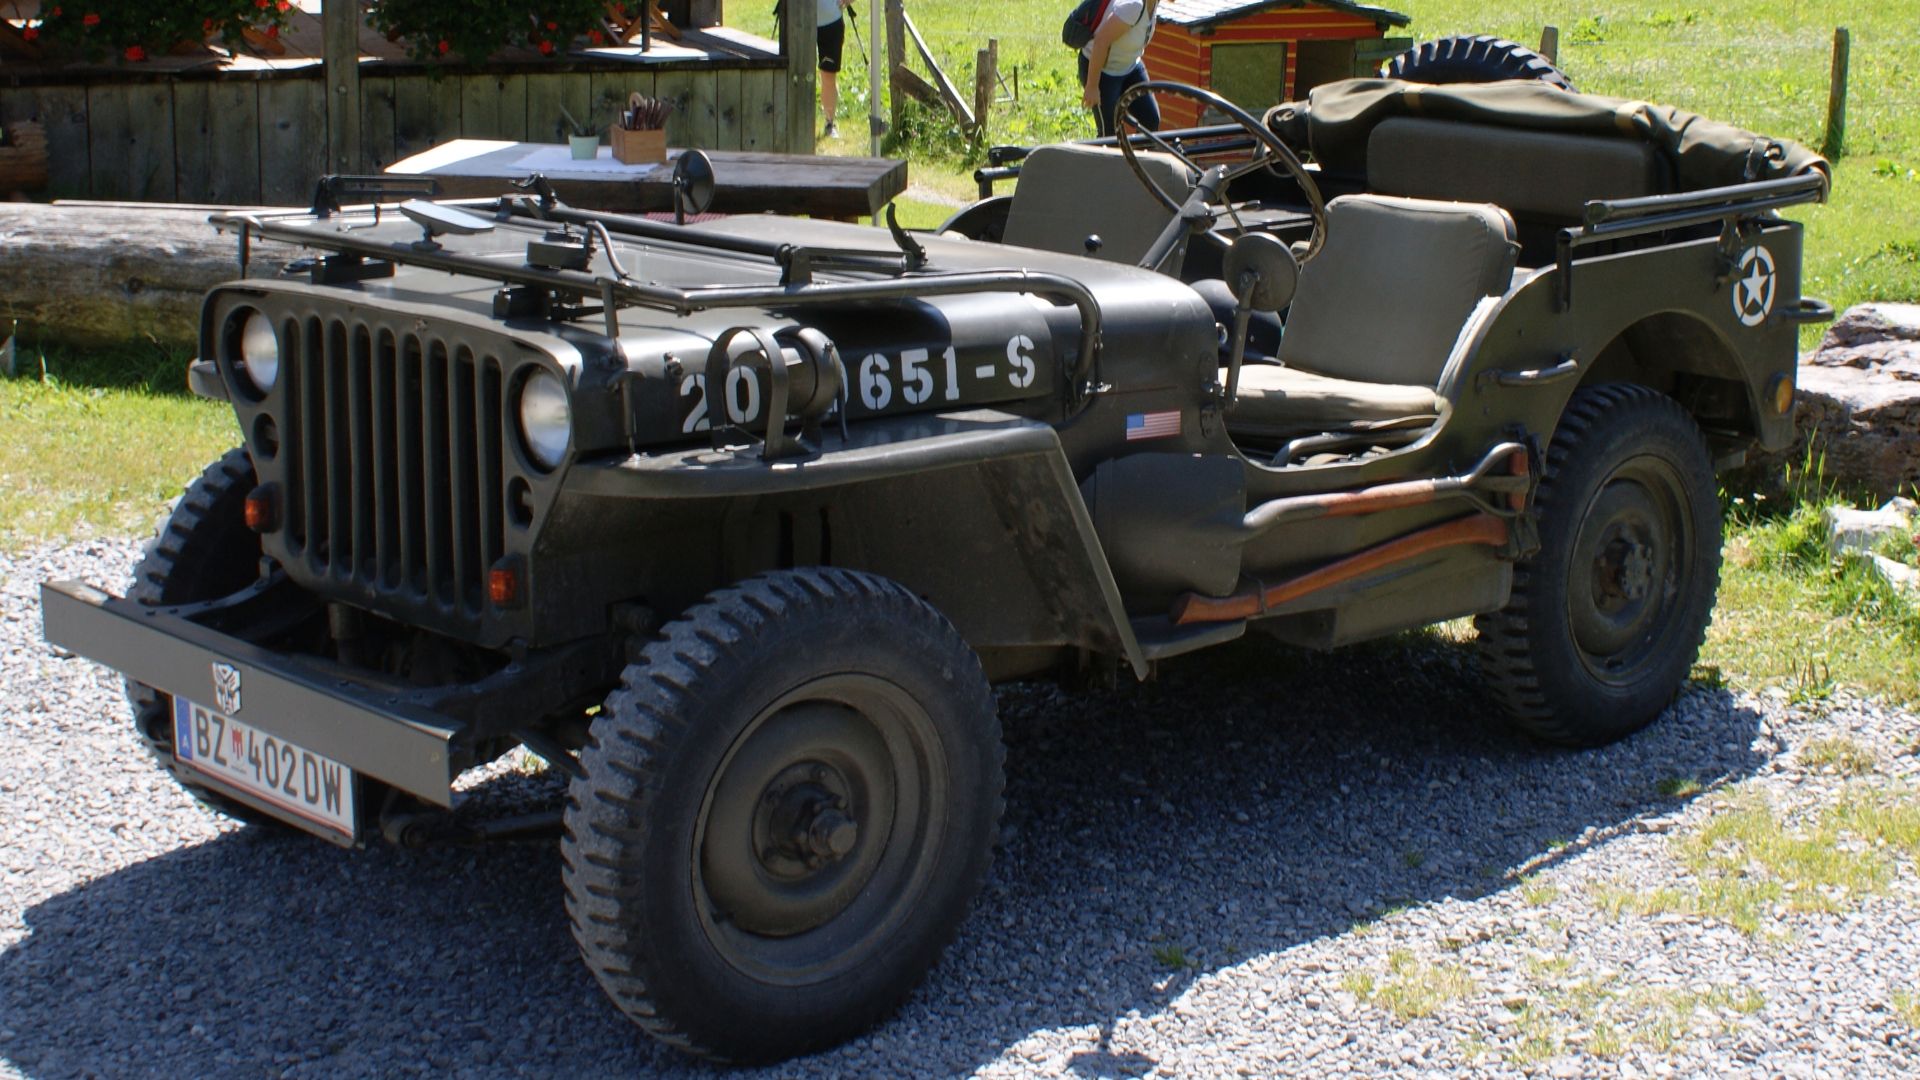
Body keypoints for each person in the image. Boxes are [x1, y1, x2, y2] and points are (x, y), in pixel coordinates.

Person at [1080, 0, 1161, 138]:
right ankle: (1104, 159)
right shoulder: (1133, 6)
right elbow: (1101, 41)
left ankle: (1137, 159)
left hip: (1130, 66)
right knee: (1109, 135)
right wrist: (1092, 86)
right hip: (1103, 71)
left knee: (1150, 120)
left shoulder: (1154, 3)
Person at [817, 0, 853, 137]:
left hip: (830, 21)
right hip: (796, 20)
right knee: (796, 73)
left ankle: (829, 123)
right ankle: (794, 123)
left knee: (828, 76)